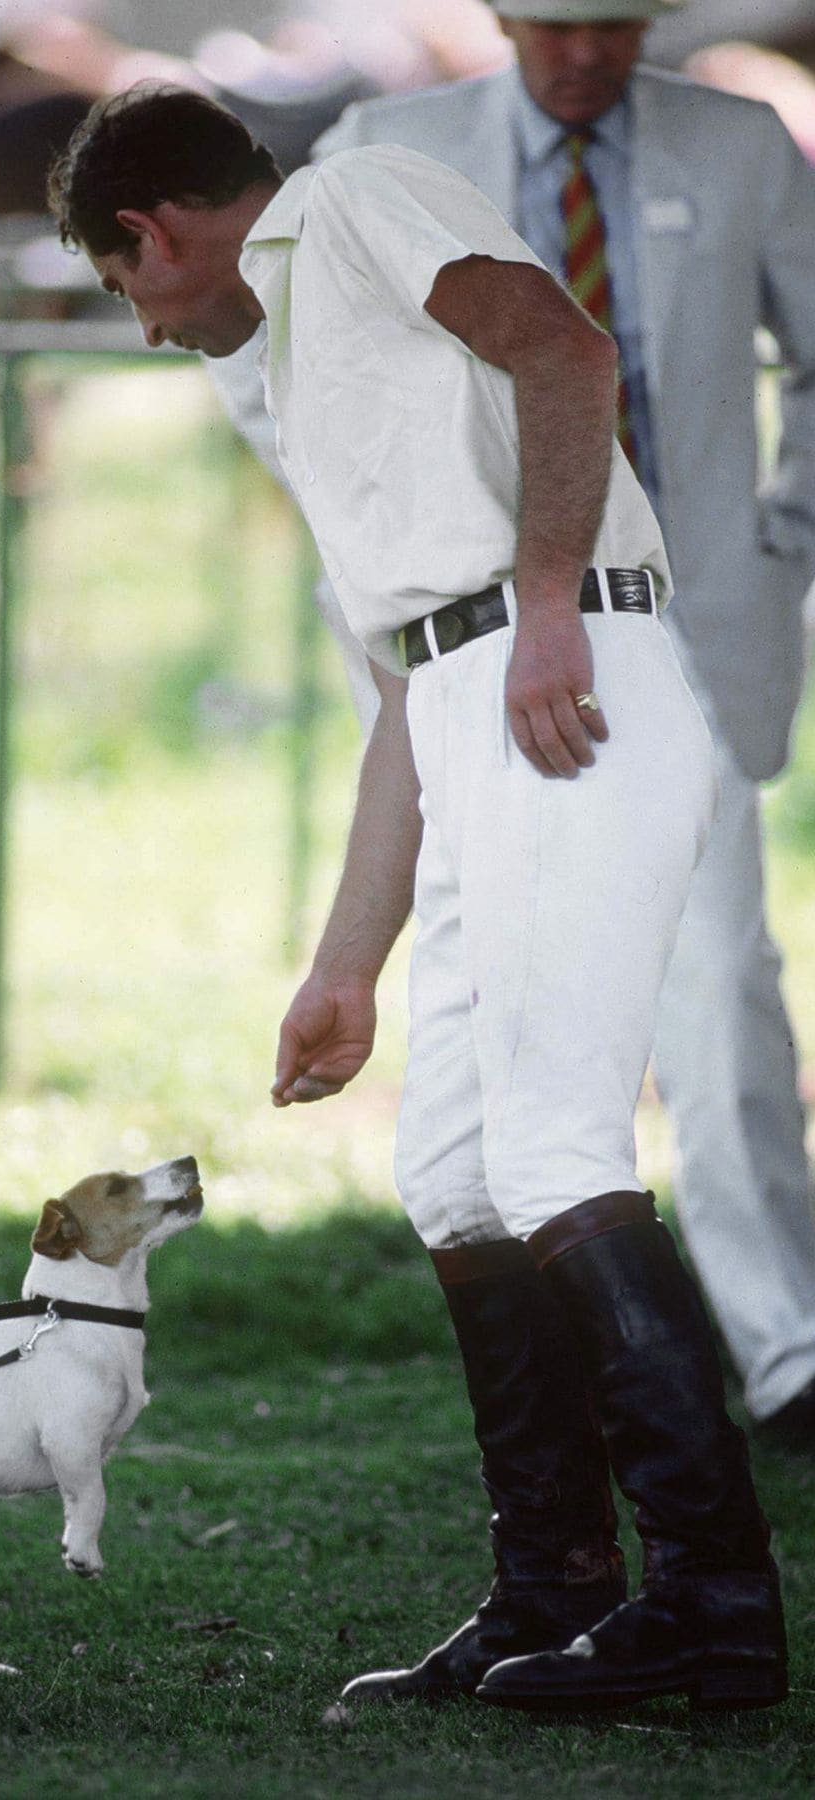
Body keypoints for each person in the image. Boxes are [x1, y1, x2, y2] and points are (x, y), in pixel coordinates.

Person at [47, 83, 786, 1712]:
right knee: (453, 1171)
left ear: (153, 232)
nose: (150, 330)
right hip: (474, 709)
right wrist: (345, 969)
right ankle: (551, 1590)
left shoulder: (357, 198)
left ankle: (719, 1608)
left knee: (551, 1148)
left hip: (565, 685)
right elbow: (405, 690)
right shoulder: (299, 343)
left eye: (123, 290)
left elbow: (565, 350)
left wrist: (542, 608)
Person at [213, 0, 815, 1448]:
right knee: (500, 1039)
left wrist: (779, 536)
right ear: (497, 18)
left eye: (615, 23)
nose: (584, 51)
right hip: (486, 635)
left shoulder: (739, 143)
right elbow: (298, 380)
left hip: (683, 610)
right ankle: (584, 1407)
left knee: (716, 984)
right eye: (553, 21)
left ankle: (783, 1355)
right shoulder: (392, 143)